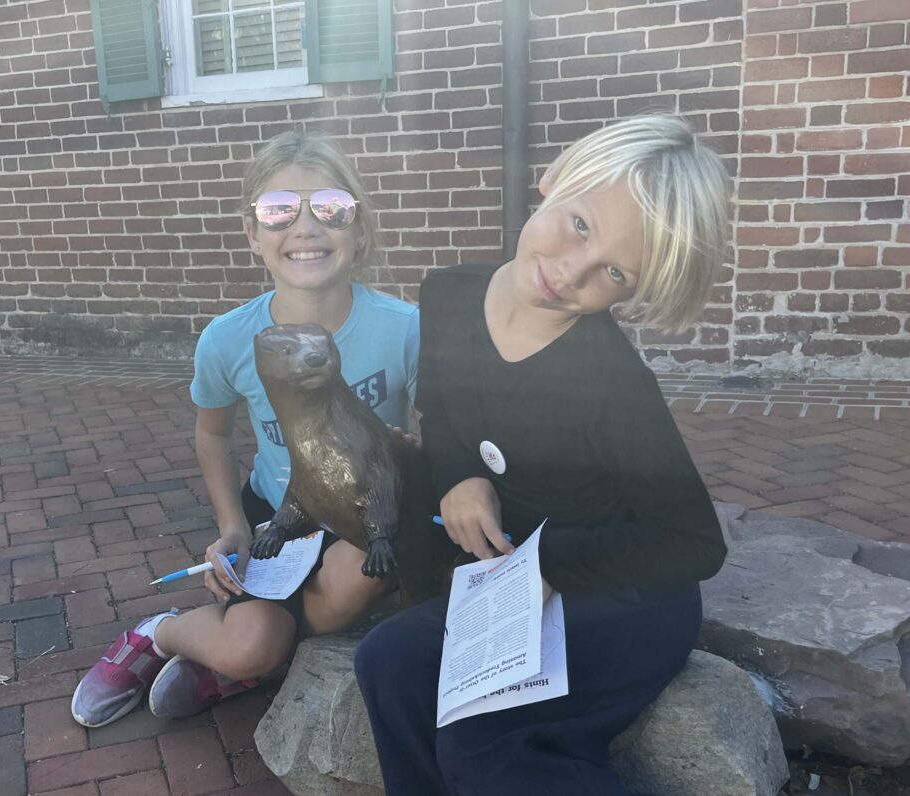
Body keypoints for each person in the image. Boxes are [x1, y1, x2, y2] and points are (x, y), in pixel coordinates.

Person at [353, 114, 730, 795]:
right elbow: (441, 413)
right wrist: (458, 475)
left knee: (483, 745)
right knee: (387, 662)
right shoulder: (448, 294)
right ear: (554, 179)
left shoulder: (611, 384)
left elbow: (694, 543)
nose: (571, 270)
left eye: (613, 271)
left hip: (625, 600)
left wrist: (548, 564)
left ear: (632, 291)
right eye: (580, 225)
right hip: (518, 589)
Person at [72, 131, 419, 727]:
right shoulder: (230, 339)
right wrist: (232, 524)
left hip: (361, 513)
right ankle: (167, 635)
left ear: (359, 228)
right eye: (280, 211)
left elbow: (435, 436)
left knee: (366, 572)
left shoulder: (405, 327)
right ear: (253, 233)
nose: (306, 228)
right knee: (252, 642)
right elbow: (212, 435)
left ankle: (237, 662)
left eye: (330, 208)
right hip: (282, 513)